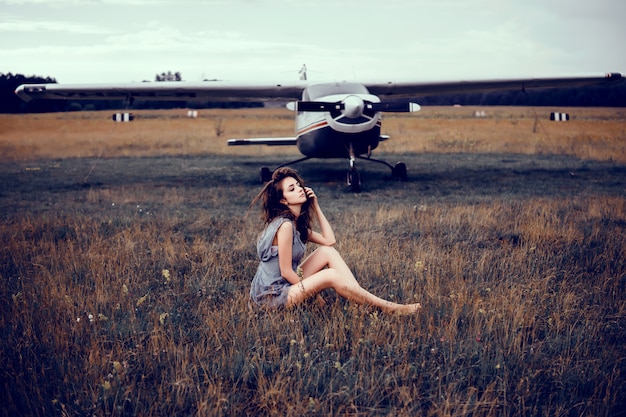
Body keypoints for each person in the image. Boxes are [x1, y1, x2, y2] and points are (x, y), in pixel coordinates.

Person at [249, 167, 421, 315]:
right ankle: (391, 308)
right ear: (283, 200)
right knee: (329, 275)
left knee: (327, 252)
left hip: (286, 285)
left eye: (298, 185)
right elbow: (286, 272)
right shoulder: (285, 226)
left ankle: (359, 300)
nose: (300, 189)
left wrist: (315, 205)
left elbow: (329, 241)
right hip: (272, 296)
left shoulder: (296, 224)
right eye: (292, 189)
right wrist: (314, 294)